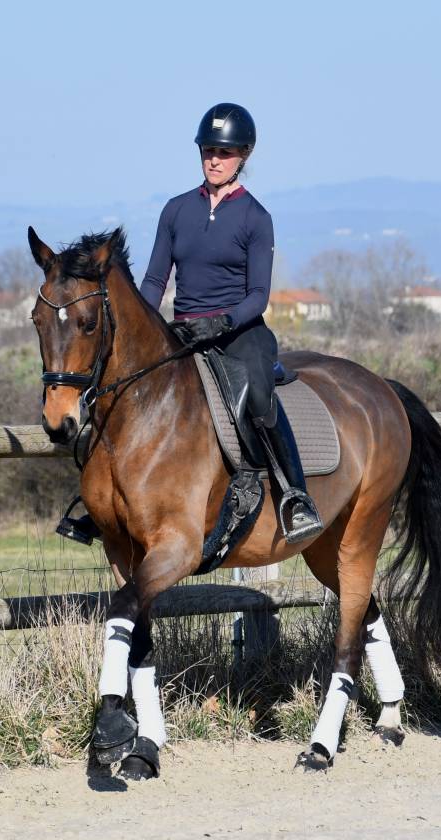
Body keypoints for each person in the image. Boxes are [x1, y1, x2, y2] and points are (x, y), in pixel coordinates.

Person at [137, 102, 323, 544]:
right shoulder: (176, 210)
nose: (214, 159)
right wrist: (143, 326)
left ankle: (295, 497)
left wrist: (219, 323)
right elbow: (153, 280)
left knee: (258, 394)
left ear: (244, 156)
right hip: (182, 332)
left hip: (239, 333)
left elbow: (258, 296)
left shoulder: (256, 217)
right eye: (208, 151)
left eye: (225, 152)